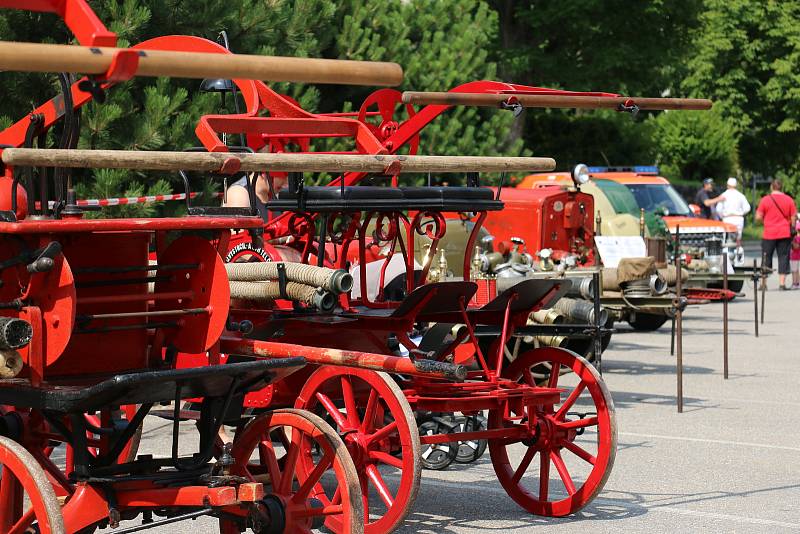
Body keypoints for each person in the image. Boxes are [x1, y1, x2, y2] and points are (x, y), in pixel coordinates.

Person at [755, 179, 797, 290]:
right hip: (784, 233)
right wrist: (792, 227)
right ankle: (782, 284)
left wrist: (764, 221)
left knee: (766, 257)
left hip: (769, 233)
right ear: (781, 187)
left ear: (771, 187)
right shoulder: (789, 200)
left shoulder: (765, 200)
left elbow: (758, 217)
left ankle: (764, 284)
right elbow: (794, 216)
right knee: (783, 257)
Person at [715, 177, 751, 246]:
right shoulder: (741, 195)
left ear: (727, 185)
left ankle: (727, 254)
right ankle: (738, 252)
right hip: (738, 219)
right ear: (736, 185)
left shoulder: (724, 195)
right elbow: (747, 208)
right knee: (738, 238)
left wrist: (721, 216)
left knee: (726, 238)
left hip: (727, 218)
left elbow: (718, 209)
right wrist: (741, 213)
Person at [791, 214, 800, 289]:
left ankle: (795, 283)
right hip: (795, 256)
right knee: (796, 270)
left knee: (794, 270)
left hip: (794, 256)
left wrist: (791, 243)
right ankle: (797, 283)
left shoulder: (796, 238)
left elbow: (796, 247)